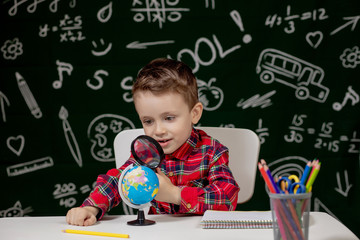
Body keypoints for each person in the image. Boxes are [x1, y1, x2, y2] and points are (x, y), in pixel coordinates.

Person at [66, 58, 240, 226]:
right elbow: (117, 181)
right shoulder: (146, 154)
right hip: (159, 233)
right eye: (148, 121)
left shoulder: (212, 151)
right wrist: (91, 207)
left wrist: (175, 194)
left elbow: (227, 197)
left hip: (202, 234)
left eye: (169, 118)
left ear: (194, 113)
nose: (158, 130)